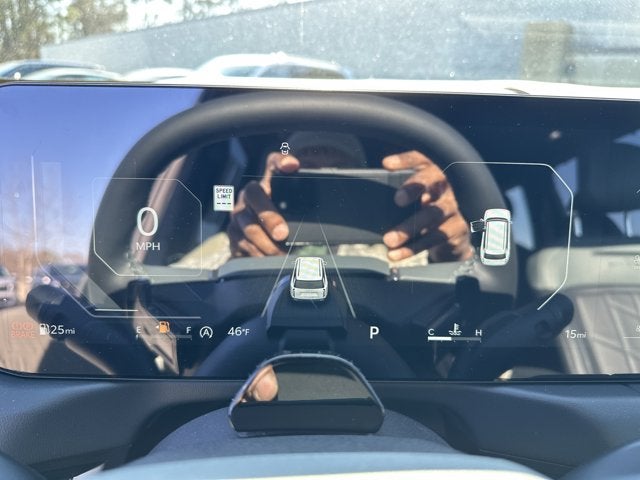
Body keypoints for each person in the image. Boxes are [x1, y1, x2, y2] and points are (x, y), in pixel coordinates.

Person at [227, 132, 473, 264]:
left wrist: (451, 253)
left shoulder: (404, 246)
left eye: (340, 173)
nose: (326, 189)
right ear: (276, 182)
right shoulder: (238, 239)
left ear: (365, 181)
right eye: (308, 174)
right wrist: (239, 258)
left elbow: (455, 289)